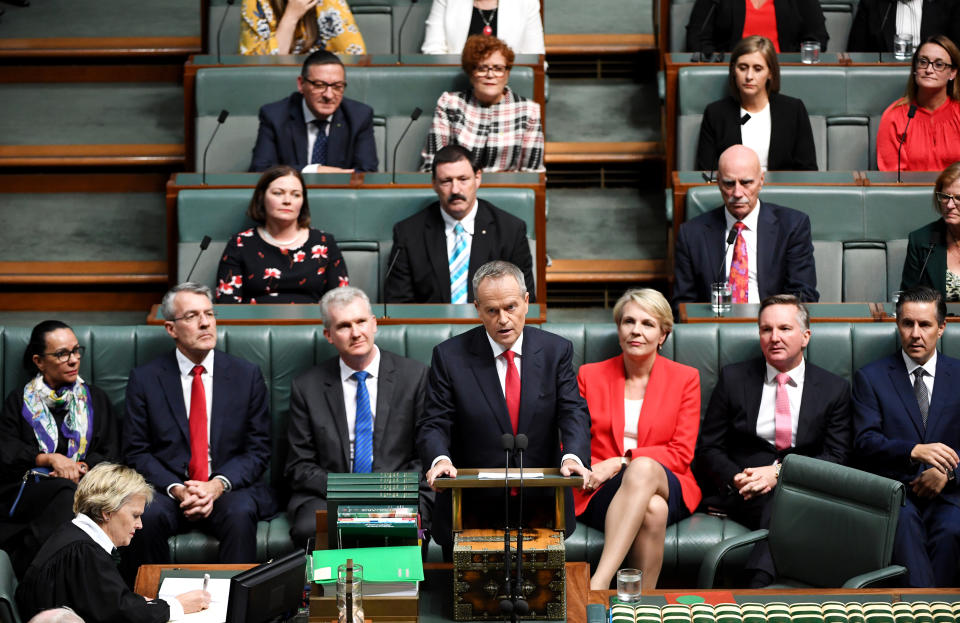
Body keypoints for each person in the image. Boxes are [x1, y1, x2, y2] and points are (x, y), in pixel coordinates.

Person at [417, 260, 592, 557]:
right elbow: (434, 421)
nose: (503, 320)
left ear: (526, 303)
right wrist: (439, 460)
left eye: (510, 307)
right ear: (477, 309)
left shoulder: (555, 351)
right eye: (492, 311)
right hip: (471, 506)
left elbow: (573, 411)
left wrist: (573, 455)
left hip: (541, 506)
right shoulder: (449, 357)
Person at [122, 283, 277, 580]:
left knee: (240, 512)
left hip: (227, 487)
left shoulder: (246, 375)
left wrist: (215, 486)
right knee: (146, 516)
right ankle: (153, 608)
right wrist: (179, 489)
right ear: (171, 328)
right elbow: (136, 451)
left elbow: (258, 449)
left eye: (209, 313)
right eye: (192, 316)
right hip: (168, 489)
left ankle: (235, 610)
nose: (205, 323)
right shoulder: (145, 379)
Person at [696, 294, 852, 586]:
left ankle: (757, 587)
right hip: (745, 490)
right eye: (766, 329)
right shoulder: (734, 378)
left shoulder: (834, 389)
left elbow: (837, 456)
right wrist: (737, 479)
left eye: (784, 328)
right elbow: (709, 447)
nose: (774, 337)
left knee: (782, 499)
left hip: (807, 488)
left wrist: (780, 474)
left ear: (805, 336)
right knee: (778, 503)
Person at [284, 286, 431, 547]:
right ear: (328, 335)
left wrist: (382, 491)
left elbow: (425, 455)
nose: (356, 333)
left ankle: (399, 588)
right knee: (309, 526)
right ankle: (325, 589)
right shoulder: (307, 387)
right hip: (329, 494)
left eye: (361, 321)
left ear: (374, 323)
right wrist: (350, 490)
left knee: (408, 518)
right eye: (343, 326)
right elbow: (299, 465)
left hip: (396, 492)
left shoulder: (415, 376)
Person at [575, 289, 701, 591]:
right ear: (619, 329)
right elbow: (573, 442)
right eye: (628, 321)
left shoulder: (686, 379)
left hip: (667, 480)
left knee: (643, 467)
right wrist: (595, 469)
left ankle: (598, 585)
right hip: (599, 486)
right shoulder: (589, 376)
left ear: (663, 334)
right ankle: (637, 608)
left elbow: (681, 453)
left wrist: (619, 462)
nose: (636, 330)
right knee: (653, 510)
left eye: (647, 323)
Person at [852, 286, 960, 587]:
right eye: (907, 323)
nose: (915, 333)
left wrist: (948, 474)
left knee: (952, 531)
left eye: (924, 324)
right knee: (905, 529)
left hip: (950, 495)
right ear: (897, 324)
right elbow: (863, 442)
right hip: (895, 494)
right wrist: (914, 450)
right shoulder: (871, 378)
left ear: (941, 328)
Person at [15, 463, 210, 623]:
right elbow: (120, 615)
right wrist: (177, 605)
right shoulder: (83, 552)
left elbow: (106, 601)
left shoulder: (75, 536)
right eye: (135, 515)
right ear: (106, 512)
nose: (140, 525)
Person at [1, 321, 118, 578]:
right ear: (39, 361)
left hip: (87, 484)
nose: (74, 360)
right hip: (30, 490)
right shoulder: (18, 401)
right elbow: (6, 451)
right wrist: (48, 459)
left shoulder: (95, 399)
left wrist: (80, 468)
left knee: (71, 492)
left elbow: (111, 450)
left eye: (77, 351)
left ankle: (36, 577)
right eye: (62, 354)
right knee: (67, 492)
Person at [385, 145, 536, 304]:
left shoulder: (510, 230)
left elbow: (524, 301)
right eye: (446, 181)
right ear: (434, 183)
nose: (455, 189)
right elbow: (398, 304)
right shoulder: (408, 233)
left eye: (463, 179)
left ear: (477, 178)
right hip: (431, 327)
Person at [673, 145, 819, 309]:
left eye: (746, 182)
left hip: (774, 328)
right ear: (718, 182)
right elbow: (684, 304)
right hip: (716, 325)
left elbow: (803, 293)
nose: (737, 193)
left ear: (761, 180)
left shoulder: (792, 226)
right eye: (729, 184)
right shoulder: (692, 234)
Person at [216, 165, 349, 304]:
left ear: (303, 201)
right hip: (255, 324)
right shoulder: (240, 243)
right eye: (278, 193)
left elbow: (342, 304)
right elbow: (227, 305)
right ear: (261, 197)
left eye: (296, 194)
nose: (287, 201)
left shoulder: (324, 242)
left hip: (313, 324)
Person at [420, 35, 545, 173]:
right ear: (470, 72)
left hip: (506, 190)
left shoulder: (528, 110)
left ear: (507, 73)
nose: (490, 75)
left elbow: (531, 173)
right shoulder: (450, 104)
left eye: (498, 69)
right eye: (482, 68)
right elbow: (434, 164)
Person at [696, 36, 818, 172]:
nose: (749, 76)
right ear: (733, 71)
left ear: (770, 73)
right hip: (734, 192)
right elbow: (706, 173)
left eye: (758, 69)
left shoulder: (793, 110)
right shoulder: (716, 113)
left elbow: (808, 170)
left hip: (782, 191)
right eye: (742, 68)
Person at [250, 50, 378, 173]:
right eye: (319, 85)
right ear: (301, 84)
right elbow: (261, 169)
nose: (329, 95)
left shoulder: (359, 116)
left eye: (337, 87)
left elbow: (367, 172)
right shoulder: (275, 116)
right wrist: (313, 170)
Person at [877, 35, 960, 172]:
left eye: (939, 65)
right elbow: (893, 180)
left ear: (952, 73)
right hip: (908, 193)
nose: (928, 70)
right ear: (915, 67)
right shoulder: (895, 117)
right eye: (923, 62)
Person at [901, 162, 960, 299]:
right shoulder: (921, 240)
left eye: (958, 198)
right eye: (945, 197)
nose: (949, 205)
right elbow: (908, 300)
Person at [685, 0, 828, 56]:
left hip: (785, 74)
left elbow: (817, 38)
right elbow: (697, 37)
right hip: (731, 75)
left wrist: (790, 64)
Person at [239, 0, 366, 55]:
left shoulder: (328, 1)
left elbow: (355, 55)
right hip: (275, 85)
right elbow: (256, 66)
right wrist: (291, 16)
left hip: (318, 84)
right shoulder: (256, 2)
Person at [421, 0, 545, 55]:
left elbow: (535, 57)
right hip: (456, 85)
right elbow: (432, 50)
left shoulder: (526, 2)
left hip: (507, 88)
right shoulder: (447, 1)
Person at [847, 0, 960, 54]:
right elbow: (856, 52)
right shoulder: (871, 4)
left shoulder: (949, 4)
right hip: (886, 75)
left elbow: (956, 50)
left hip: (934, 77)